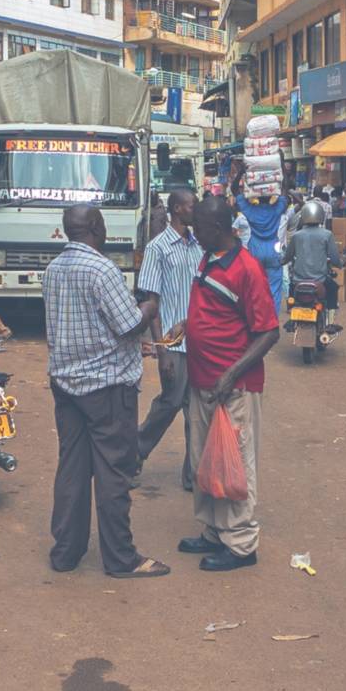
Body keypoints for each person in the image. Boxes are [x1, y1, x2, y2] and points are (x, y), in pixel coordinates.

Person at [44, 205, 167, 579]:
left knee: (72, 468)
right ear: (97, 227)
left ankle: (66, 551)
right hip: (107, 386)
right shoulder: (102, 269)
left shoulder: (52, 270)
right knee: (114, 472)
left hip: (66, 383)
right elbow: (129, 325)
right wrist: (147, 308)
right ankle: (120, 558)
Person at [178, 197, 279, 572]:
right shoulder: (209, 258)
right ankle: (213, 531)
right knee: (207, 460)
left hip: (234, 386)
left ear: (217, 229)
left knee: (234, 464)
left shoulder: (247, 269)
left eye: (199, 228)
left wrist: (232, 373)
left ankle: (240, 545)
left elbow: (269, 333)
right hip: (205, 381)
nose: (194, 233)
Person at [137, 188, 201, 489]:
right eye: (191, 206)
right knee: (171, 401)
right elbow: (152, 302)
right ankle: (134, 453)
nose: (194, 210)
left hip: (201, 340)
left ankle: (193, 473)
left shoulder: (198, 245)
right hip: (174, 342)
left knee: (197, 407)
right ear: (177, 209)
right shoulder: (158, 248)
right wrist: (162, 351)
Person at [284, 197, 343, 328]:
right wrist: (340, 264)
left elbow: (287, 256)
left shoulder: (296, 235)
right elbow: (334, 258)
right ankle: (331, 322)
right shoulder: (327, 235)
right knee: (333, 288)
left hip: (298, 280)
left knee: (291, 289)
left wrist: (282, 261)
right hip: (320, 280)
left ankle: (291, 315)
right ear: (321, 216)